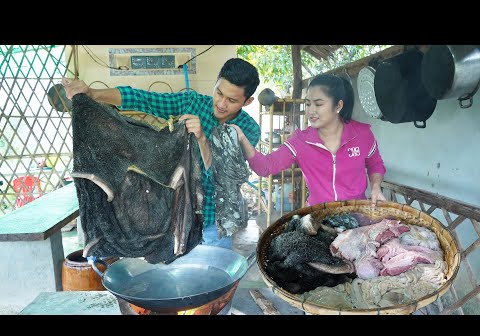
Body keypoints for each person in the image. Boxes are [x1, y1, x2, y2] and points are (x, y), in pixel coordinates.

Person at [62, 58, 261, 250]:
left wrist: (202, 139)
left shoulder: (247, 130)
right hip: (180, 218)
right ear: (216, 82)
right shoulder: (192, 103)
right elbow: (143, 99)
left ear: (248, 101)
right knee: (179, 280)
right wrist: (92, 94)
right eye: (219, 93)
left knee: (216, 279)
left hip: (216, 223)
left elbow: (221, 178)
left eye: (232, 100)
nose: (221, 104)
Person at [230, 73, 387, 208]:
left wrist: (375, 187)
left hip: (357, 213)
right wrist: (243, 139)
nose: (311, 111)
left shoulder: (362, 134)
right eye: (308, 104)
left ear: (338, 105)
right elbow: (265, 167)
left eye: (318, 104)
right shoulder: (301, 141)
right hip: (318, 217)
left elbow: (375, 164)